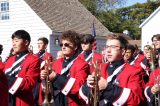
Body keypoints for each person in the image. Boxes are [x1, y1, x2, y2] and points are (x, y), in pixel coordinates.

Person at [79, 33, 146, 106]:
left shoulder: (134, 71)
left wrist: (107, 87)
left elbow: (136, 100)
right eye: (107, 47)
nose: (108, 50)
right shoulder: (99, 67)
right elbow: (82, 96)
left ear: (123, 51)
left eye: (113, 47)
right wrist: (88, 85)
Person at [40, 30, 90, 106]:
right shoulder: (56, 62)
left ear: (75, 47)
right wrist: (45, 77)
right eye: (61, 44)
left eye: (66, 44)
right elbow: (48, 85)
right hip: (56, 101)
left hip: (72, 101)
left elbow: (78, 87)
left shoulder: (82, 64)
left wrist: (56, 77)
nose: (63, 47)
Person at [3, 30, 40, 106]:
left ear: (26, 42)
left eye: (16, 41)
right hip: (7, 99)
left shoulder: (33, 60)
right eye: (13, 41)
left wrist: (5, 78)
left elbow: (29, 83)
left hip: (22, 101)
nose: (13, 44)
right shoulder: (10, 60)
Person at [33, 37, 53, 106]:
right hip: (34, 80)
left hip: (42, 80)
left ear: (45, 45)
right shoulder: (34, 55)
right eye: (38, 43)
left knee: (40, 99)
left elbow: (48, 69)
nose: (38, 45)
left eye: (40, 43)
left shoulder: (48, 56)